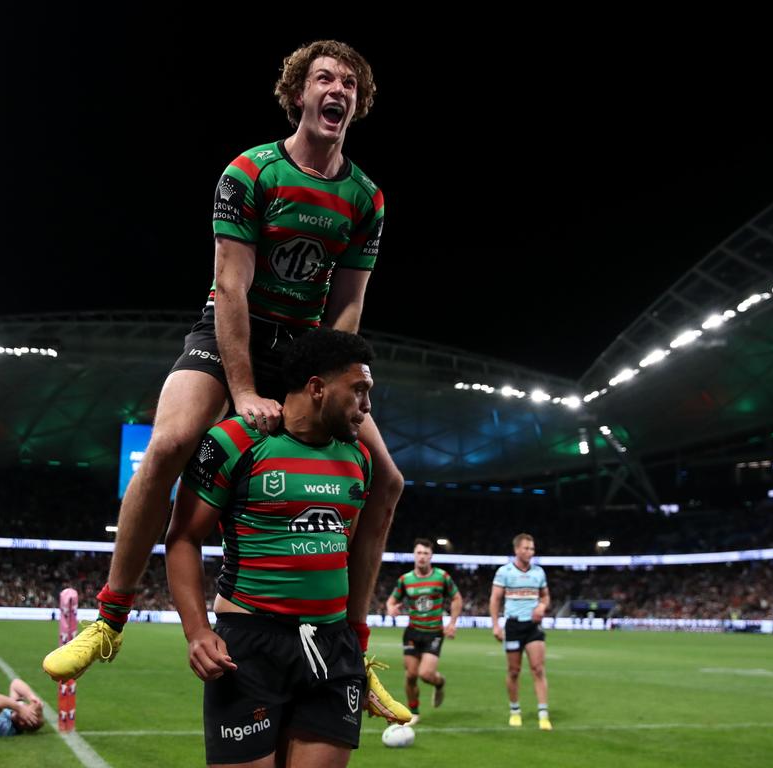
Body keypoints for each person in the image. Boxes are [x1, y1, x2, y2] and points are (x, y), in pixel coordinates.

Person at [43, 40, 406, 721]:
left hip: (305, 350)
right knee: (171, 442)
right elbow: (231, 287)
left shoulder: (366, 197)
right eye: (324, 78)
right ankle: (110, 617)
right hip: (228, 333)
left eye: (350, 84)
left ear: (358, 104)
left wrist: (334, 374)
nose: (338, 90)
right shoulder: (249, 172)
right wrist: (242, 391)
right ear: (298, 93)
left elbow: (349, 304)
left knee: (387, 478)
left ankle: (354, 645)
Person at [167, 329, 398, 767]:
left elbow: (341, 551)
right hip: (250, 648)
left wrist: (355, 639)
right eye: (359, 391)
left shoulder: (359, 459)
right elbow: (182, 538)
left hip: (333, 646)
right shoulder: (234, 442)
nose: (367, 407)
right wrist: (197, 631)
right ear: (317, 388)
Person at [386, 538, 462, 724]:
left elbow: (456, 598)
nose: (422, 557)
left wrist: (452, 623)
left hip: (434, 633)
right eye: (419, 553)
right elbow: (391, 600)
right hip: (412, 632)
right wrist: (391, 608)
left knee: (425, 674)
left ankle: (439, 682)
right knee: (411, 675)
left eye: (426, 554)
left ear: (431, 556)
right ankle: (414, 712)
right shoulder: (405, 580)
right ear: (414, 555)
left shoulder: (442, 577)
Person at [490, 533, 551, 730]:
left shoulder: (539, 573)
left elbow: (546, 597)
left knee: (538, 669)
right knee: (514, 671)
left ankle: (543, 713)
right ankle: (515, 710)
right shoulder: (504, 572)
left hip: (533, 627)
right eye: (526, 548)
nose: (529, 552)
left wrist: (542, 607)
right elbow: (495, 599)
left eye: (532, 549)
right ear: (516, 550)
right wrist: (496, 625)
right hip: (514, 626)